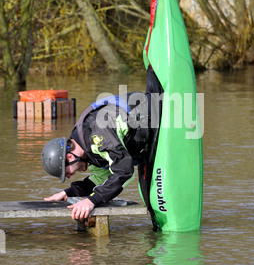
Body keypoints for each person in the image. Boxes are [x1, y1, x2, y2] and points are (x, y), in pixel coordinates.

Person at [41, 70, 163, 224]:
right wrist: (70, 192)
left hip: (156, 120)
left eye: (67, 172)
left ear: (69, 157)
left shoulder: (96, 138)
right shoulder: (85, 147)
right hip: (142, 137)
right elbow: (102, 178)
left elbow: (123, 171)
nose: (70, 176)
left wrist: (92, 201)